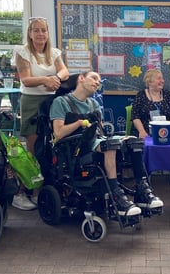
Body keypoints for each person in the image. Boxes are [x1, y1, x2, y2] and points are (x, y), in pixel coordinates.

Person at [50, 71, 163, 215]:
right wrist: (79, 123)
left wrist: (119, 138)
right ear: (81, 78)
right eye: (94, 78)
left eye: (99, 81)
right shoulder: (61, 102)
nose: (97, 83)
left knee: (134, 142)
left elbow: (101, 132)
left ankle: (142, 191)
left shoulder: (94, 104)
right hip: (74, 146)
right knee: (109, 146)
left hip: (96, 140)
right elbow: (58, 133)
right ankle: (117, 196)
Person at [12, 16, 69, 210]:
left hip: (51, 102)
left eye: (43, 30)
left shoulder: (53, 53)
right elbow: (26, 79)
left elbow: (65, 72)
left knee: (50, 148)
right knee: (33, 149)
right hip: (31, 102)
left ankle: (46, 189)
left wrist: (54, 78)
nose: (40, 34)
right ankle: (27, 191)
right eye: (36, 30)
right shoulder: (23, 52)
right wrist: (46, 80)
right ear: (29, 33)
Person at [131, 69, 170, 138]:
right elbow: (135, 116)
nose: (162, 81)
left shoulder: (168, 95)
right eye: (159, 78)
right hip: (146, 134)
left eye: (162, 78)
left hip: (166, 134)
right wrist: (142, 131)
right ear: (149, 82)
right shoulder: (141, 95)